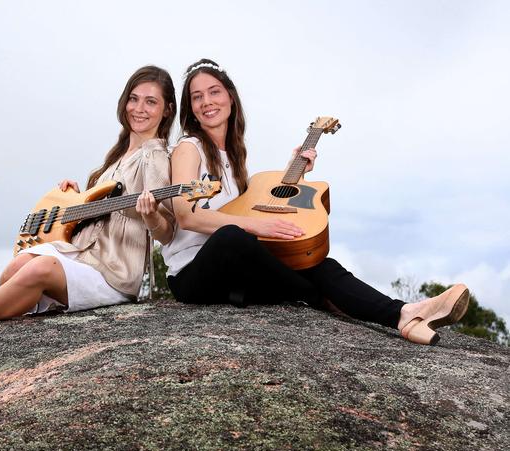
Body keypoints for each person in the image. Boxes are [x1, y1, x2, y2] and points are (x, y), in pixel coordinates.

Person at [161, 58, 469, 346]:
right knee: (233, 237)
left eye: (213, 92)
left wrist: (292, 169)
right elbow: (187, 216)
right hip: (194, 275)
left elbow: (244, 207)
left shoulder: (236, 159)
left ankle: (405, 315)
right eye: (197, 96)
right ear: (190, 107)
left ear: (230, 97)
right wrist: (257, 224)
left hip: (234, 272)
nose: (207, 102)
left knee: (315, 262)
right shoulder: (190, 148)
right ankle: (316, 295)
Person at [0, 65, 176, 338]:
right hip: (82, 255)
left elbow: (166, 230)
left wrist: (150, 215)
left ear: (167, 110)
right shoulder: (116, 157)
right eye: (134, 98)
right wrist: (76, 199)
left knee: (40, 268)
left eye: (151, 102)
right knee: (17, 265)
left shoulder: (156, 156)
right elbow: (102, 210)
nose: (139, 108)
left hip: (113, 273)